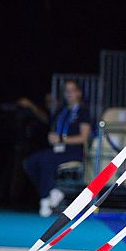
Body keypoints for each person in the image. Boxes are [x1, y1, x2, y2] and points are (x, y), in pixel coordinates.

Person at [23, 80, 91, 217]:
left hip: (74, 151)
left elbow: (84, 137)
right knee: (30, 162)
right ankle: (52, 191)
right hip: (58, 150)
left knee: (46, 160)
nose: (69, 94)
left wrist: (61, 139)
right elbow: (49, 122)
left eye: (72, 90)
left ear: (79, 93)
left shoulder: (83, 112)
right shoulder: (62, 111)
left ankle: (44, 200)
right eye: (66, 91)